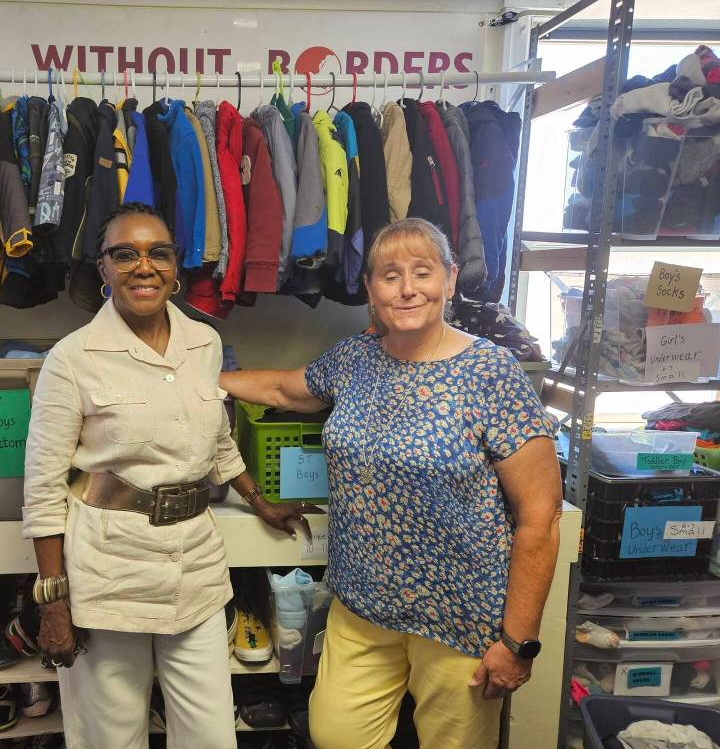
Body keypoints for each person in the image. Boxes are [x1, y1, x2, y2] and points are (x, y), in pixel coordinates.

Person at [221, 218, 562, 749]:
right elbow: (284, 390)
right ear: (370, 289)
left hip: (459, 615)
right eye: (390, 275)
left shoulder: (492, 373)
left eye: (422, 272)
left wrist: (518, 642)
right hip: (362, 605)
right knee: (336, 734)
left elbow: (540, 518)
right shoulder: (355, 358)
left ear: (450, 278)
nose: (407, 289)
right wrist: (194, 377)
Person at [21, 202, 319, 749]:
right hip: (111, 571)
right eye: (124, 254)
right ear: (102, 267)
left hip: (195, 565)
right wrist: (53, 601)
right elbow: (42, 486)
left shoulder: (203, 343)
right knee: (112, 737)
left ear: (175, 265)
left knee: (211, 735)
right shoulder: (73, 358)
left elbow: (218, 439)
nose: (144, 266)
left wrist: (259, 500)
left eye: (157, 253)